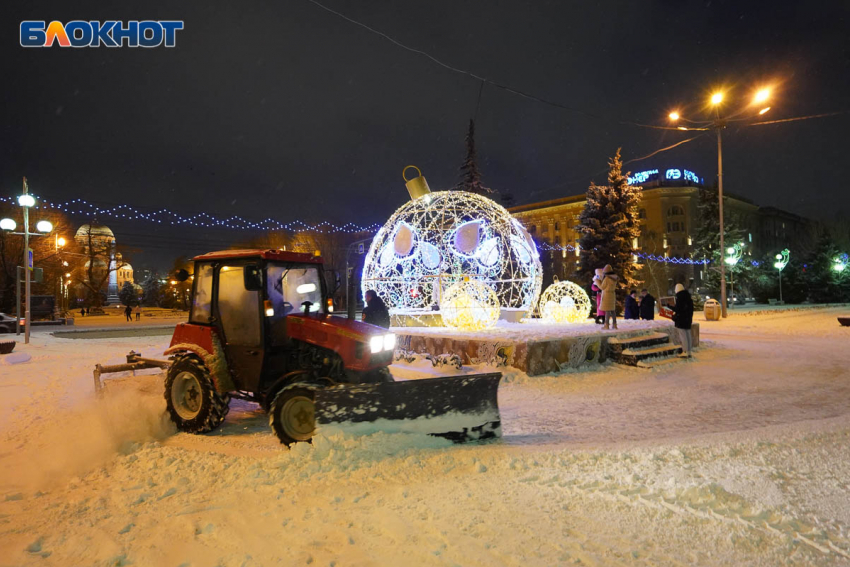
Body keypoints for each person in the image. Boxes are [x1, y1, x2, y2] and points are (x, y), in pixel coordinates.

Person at [671, 283, 694, 357]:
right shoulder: (688, 297)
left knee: (683, 336)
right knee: (688, 335)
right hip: (688, 319)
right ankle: (689, 351)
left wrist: (673, 311)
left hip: (681, 320)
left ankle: (685, 351)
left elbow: (678, 309)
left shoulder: (679, 297)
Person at [599, 264, 619, 330]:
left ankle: (606, 325)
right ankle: (614, 324)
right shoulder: (614, 278)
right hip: (612, 294)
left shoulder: (607, 278)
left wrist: (597, 281)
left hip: (607, 295)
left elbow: (602, 287)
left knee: (607, 310)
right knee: (612, 310)